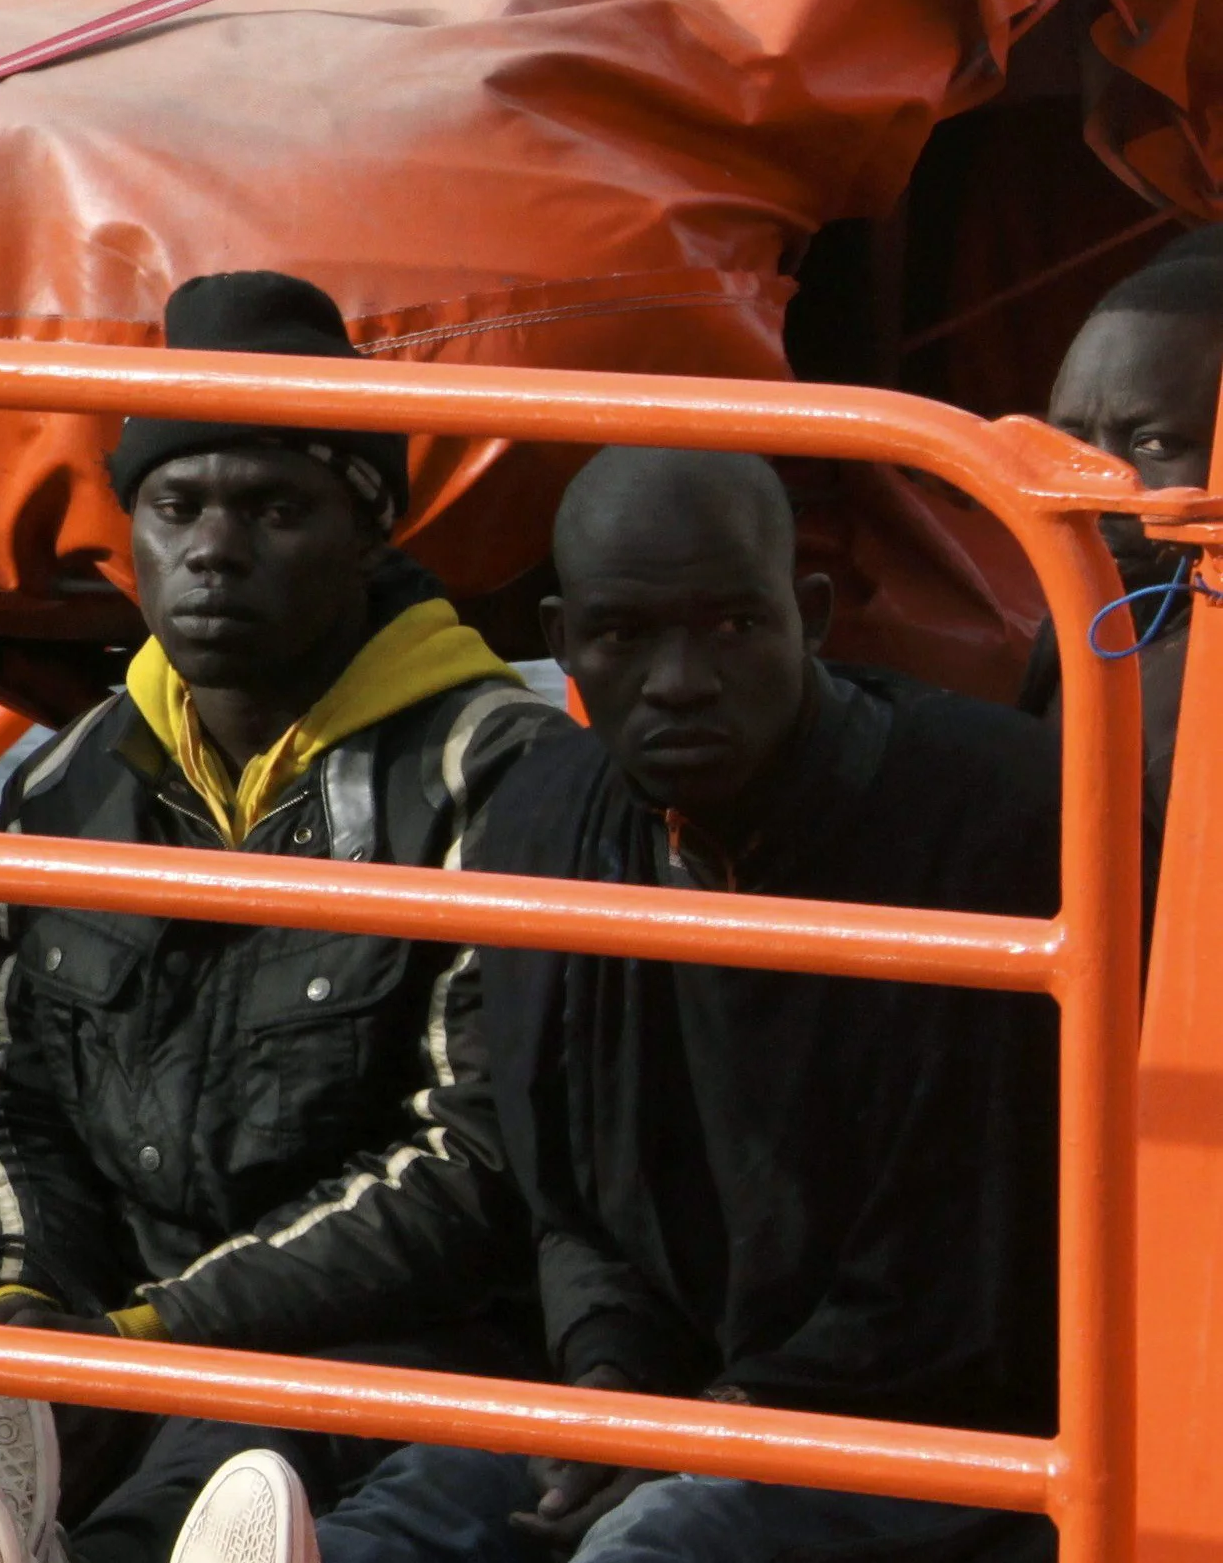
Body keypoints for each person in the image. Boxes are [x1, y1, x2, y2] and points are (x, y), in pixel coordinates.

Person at [161, 448, 1059, 1563]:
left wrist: (709, 1429)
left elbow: (965, 1262)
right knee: (396, 1518)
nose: (678, 679)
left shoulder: (996, 815)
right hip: (665, 1387)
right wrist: (606, 1387)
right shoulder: (545, 820)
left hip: (938, 1416)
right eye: (625, 636)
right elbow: (566, 1193)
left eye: (729, 627)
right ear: (563, 639)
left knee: (650, 1546)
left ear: (809, 617)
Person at [0, 273, 556, 1563]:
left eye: (274, 509)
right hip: (114, 1323)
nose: (214, 549)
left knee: (196, 1479)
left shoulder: (494, 774)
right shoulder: (74, 780)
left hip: (381, 1340)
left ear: (371, 528)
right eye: (176, 506)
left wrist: (155, 1340)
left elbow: (474, 1165)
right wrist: (3, 1300)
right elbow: (10, 1100)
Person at [1025, 245, 1221, 894]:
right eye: (1071, 441)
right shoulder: (1096, 625)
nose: (1101, 485)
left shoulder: (1185, 698)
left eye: (1155, 443)